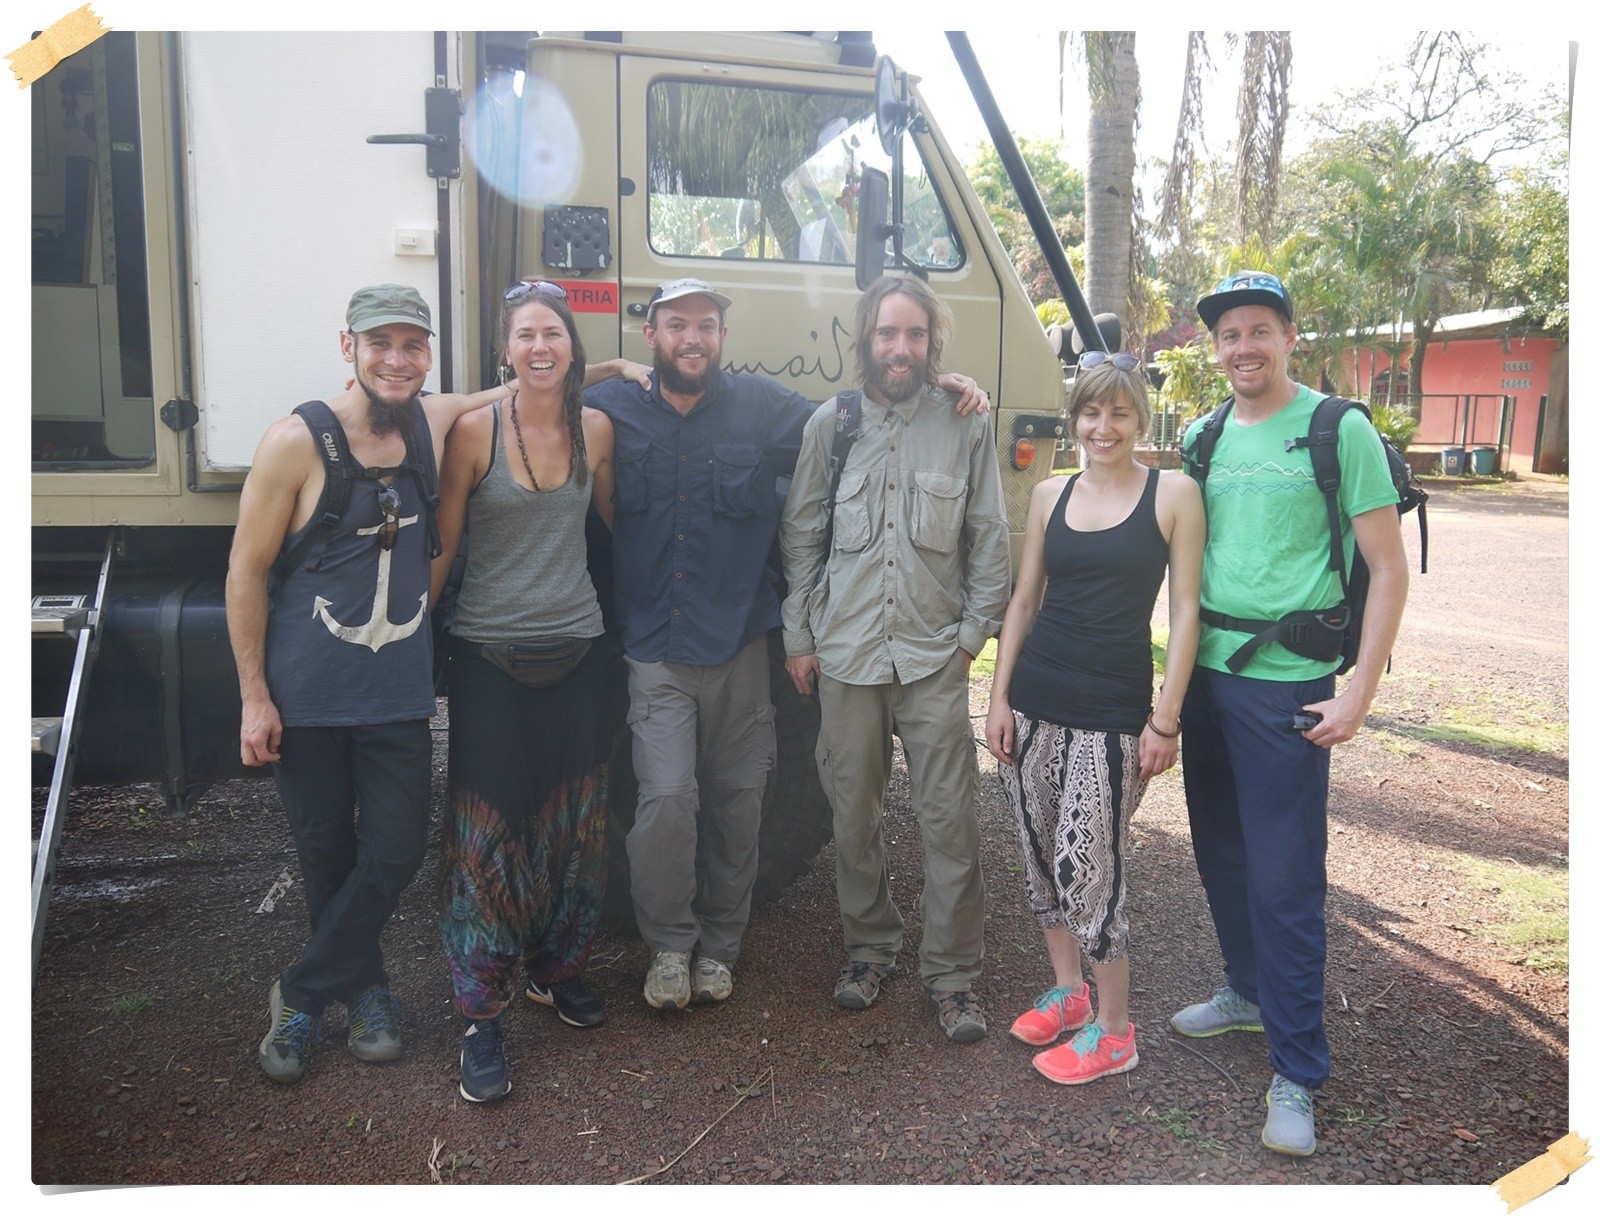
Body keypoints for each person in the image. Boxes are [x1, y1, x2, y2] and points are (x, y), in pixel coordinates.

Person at [227, 283, 643, 1086]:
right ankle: (404, 1000)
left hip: (460, 677)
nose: (397, 358)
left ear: (427, 356)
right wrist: (257, 692)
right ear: (346, 345)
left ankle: (325, 986)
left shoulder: (445, 420)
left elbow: (540, 403)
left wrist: (619, 364)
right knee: (375, 847)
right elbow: (252, 572)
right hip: (366, 677)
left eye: (411, 345)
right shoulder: (309, 439)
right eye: (380, 343)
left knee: (462, 839)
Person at [583, 277, 989, 1012]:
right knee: (718, 806)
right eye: (678, 324)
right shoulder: (621, 407)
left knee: (780, 806)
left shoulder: (780, 409)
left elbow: (971, 521)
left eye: (706, 324)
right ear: (653, 335)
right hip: (724, 649)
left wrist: (970, 636)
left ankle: (935, 973)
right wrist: (607, 368)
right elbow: (531, 384)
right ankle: (719, 948)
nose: (693, 338)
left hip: (831, 648)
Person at [1171, 270, 1409, 1156]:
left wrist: (1358, 691)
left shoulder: (1335, 429)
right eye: (1230, 333)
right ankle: (1244, 990)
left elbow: (1388, 567)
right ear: (1216, 346)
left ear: (1288, 337)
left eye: (1259, 330)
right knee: (1222, 852)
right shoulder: (1201, 437)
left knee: (1286, 878)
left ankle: (1298, 1072)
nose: (1244, 347)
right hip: (1208, 678)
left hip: (1289, 686)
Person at [780, 276, 1010, 1044]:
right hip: (845, 654)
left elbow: (989, 538)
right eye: (887, 334)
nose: (900, 348)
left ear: (931, 341)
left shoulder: (965, 422)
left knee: (951, 822)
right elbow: (802, 537)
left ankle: (952, 977)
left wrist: (972, 637)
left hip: (932, 657)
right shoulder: (830, 426)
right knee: (852, 815)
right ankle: (869, 951)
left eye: (914, 335)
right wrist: (798, 637)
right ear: (866, 340)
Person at [983, 351, 1204, 1083]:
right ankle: (1069, 994)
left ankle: (1116, 1032)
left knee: (1091, 868)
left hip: (1112, 711)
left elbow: (1185, 611)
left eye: (1118, 412)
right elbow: (1023, 601)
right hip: (1037, 697)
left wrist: (1165, 719)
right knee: (1041, 854)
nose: (1102, 427)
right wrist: (997, 697)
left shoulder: (1172, 494)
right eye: (1090, 411)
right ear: (1074, 418)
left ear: (1140, 417)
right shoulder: (1049, 493)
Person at [430, 280, 618, 1103]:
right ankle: (481, 1016)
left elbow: (614, 531)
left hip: (577, 650)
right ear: (505, 348)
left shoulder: (598, 429)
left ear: (571, 345)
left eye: (554, 333)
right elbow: (441, 552)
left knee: (573, 824)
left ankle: (556, 970)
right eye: (525, 335)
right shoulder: (473, 431)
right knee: (487, 837)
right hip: (488, 658)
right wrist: (411, 641)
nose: (541, 347)